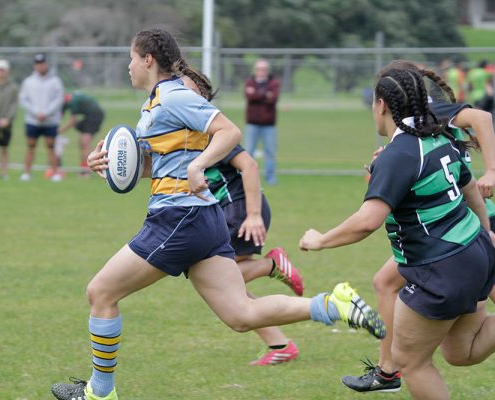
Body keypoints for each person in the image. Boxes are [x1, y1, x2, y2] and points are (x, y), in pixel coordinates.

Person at [50, 28, 385, 400]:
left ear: (148, 59)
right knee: (241, 314)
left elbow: (228, 131)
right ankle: (333, 304)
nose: (128, 66)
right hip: (202, 219)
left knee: (100, 292)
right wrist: (110, 164)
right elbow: (155, 166)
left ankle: (100, 392)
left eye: (131, 58)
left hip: (179, 216)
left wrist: (199, 167)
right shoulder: (155, 103)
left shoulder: (174, 96)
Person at [300, 62, 495, 400]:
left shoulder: (400, 153)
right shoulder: (438, 137)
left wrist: (320, 240)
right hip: (474, 251)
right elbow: (471, 192)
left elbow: (367, 221)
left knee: (411, 361)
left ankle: (388, 371)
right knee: (460, 352)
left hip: (441, 267)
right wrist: (486, 235)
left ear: (381, 105)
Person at [204, 143, 304, 365]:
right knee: (230, 290)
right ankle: (280, 345)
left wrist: (253, 215)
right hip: (229, 212)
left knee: (217, 281)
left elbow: (249, 165)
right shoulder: (177, 133)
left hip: (240, 211)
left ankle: (270, 265)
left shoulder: (208, 130)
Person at [18, 53, 64, 181]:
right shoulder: (28, 81)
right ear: (34, 66)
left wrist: (47, 112)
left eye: (42, 63)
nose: (41, 66)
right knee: (31, 146)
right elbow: (23, 99)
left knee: (51, 146)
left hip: (50, 120)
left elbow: (58, 99)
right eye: (38, 64)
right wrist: (36, 112)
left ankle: (54, 173)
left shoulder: (55, 81)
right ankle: (27, 173)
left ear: (46, 64)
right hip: (33, 120)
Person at [244, 59, 280, 185]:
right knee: (249, 152)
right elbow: (250, 97)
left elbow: (273, 98)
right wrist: (265, 94)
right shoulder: (250, 81)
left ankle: (270, 178)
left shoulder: (274, 82)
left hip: (268, 124)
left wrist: (257, 94)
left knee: (270, 152)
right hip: (252, 123)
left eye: (264, 69)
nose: (261, 72)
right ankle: (249, 177)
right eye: (259, 69)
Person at [58, 91, 105, 176]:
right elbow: (59, 116)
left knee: (85, 143)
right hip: (89, 116)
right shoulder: (65, 101)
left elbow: (73, 120)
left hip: (95, 115)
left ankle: (87, 170)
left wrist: (60, 131)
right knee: (82, 143)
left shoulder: (71, 102)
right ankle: (85, 168)